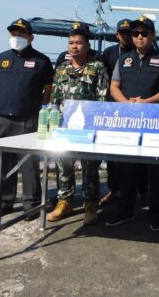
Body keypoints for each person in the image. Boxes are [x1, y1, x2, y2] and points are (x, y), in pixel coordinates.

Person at [106, 15, 159, 231]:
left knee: (155, 171)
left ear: (152, 35)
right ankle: (126, 210)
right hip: (127, 121)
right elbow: (114, 86)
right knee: (125, 169)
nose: (139, 37)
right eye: (135, 33)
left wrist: (146, 102)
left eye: (144, 33)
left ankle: (157, 215)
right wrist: (126, 103)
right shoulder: (123, 59)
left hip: (154, 122)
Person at [0, 19, 54, 221]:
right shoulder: (0, 59)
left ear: (31, 37)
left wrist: (35, 108)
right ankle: (4, 203)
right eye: (13, 33)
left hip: (28, 119)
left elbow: (48, 90)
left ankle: (31, 204)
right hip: (2, 119)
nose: (16, 37)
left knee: (29, 164)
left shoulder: (42, 61)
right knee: (4, 163)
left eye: (21, 34)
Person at [46, 27, 109, 225]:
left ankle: (91, 203)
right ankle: (65, 202)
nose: (74, 46)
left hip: (88, 127)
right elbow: (54, 99)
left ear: (87, 45)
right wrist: (51, 124)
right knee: (64, 165)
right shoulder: (61, 69)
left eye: (79, 43)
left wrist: (99, 127)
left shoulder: (97, 67)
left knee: (90, 167)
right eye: (71, 43)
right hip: (64, 127)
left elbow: (102, 99)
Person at [101, 19, 146, 204]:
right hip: (116, 108)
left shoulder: (142, 51)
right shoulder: (109, 53)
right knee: (113, 154)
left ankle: (142, 190)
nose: (127, 36)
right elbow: (106, 80)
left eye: (130, 32)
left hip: (139, 108)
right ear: (117, 35)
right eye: (123, 33)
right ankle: (114, 189)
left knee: (140, 152)